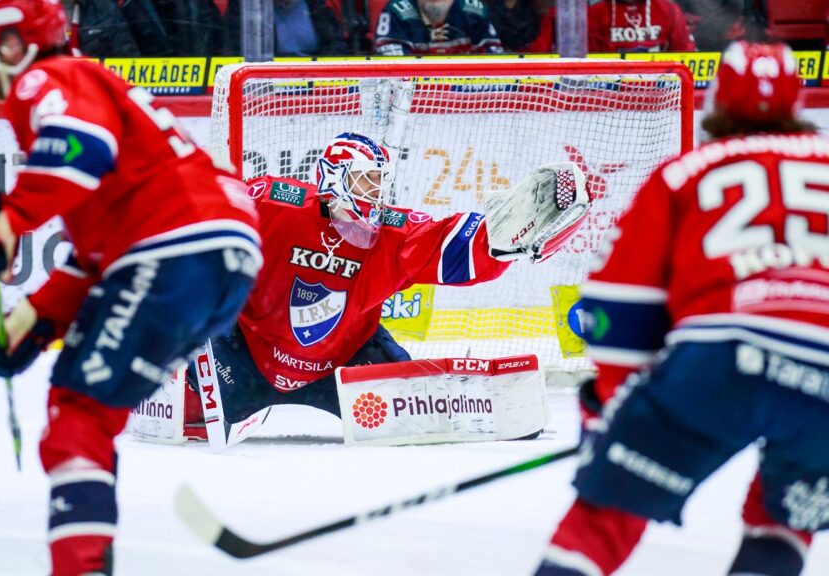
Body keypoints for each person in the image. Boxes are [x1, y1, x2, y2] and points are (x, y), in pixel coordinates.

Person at [0, 1, 260, 574]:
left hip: (177, 249)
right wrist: (36, 320)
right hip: (218, 259)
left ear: (15, 45)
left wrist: (12, 218)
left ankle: (81, 566)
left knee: (78, 414)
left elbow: (82, 147)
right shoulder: (92, 82)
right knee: (88, 407)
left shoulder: (47, 78)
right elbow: (101, 257)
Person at [534, 41, 829, 576]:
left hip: (720, 358)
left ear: (715, 102)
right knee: (784, 520)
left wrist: (614, 403)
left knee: (608, 516)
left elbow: (617, 307)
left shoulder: (686, 172)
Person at [185, 132, 590, 439]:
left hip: (344, 364)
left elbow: (448, 246)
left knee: (418, 414)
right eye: (366, 180)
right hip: (247, 354)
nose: (377, 193)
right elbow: (208, 217)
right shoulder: (275, 204)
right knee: (180, 398)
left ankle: (482, 408)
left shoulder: (391, 233)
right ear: (334, 178)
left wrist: (498, 242)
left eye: (381, 181)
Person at [373, 0, 504, 55]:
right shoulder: (396, 12)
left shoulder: (474, 11)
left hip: (466, 96)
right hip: (413, 96)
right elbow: (392, 71)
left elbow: (496, 64)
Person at [223, 0, 347, 57]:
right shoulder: (245, 7)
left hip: (316, 84)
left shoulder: (317, 6)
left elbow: (337, 46)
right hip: (268, 85)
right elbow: (235, 52)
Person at [587, 0, 696, 52]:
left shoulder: (669, 10)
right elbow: (588, 61)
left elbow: (686, 53)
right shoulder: (595, 13)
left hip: (661, 85)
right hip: (609, 86)